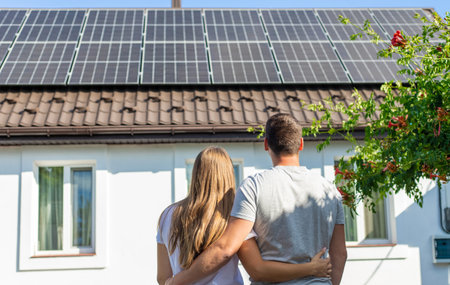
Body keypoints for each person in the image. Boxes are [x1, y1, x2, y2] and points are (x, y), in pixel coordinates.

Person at [166, 114, 347, 285]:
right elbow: (340, 254)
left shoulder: (254, 187)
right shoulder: (330, 191)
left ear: (266, 144)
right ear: (300, 144)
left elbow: (226, 250)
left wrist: (176, 281)